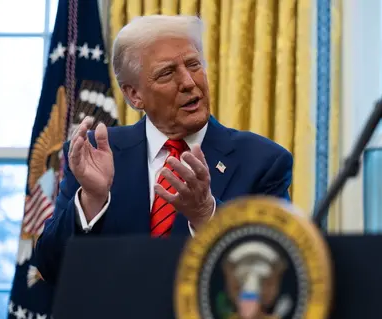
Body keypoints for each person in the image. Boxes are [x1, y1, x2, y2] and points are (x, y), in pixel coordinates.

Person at [35, 15, 293, 284]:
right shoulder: (96, 154)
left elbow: (278, 269)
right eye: (167, 73)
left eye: (194, 65)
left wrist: (207, 215)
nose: (189, 82)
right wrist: (91, 200)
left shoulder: (263, 161)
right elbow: (51, 268)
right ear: (134, 95)